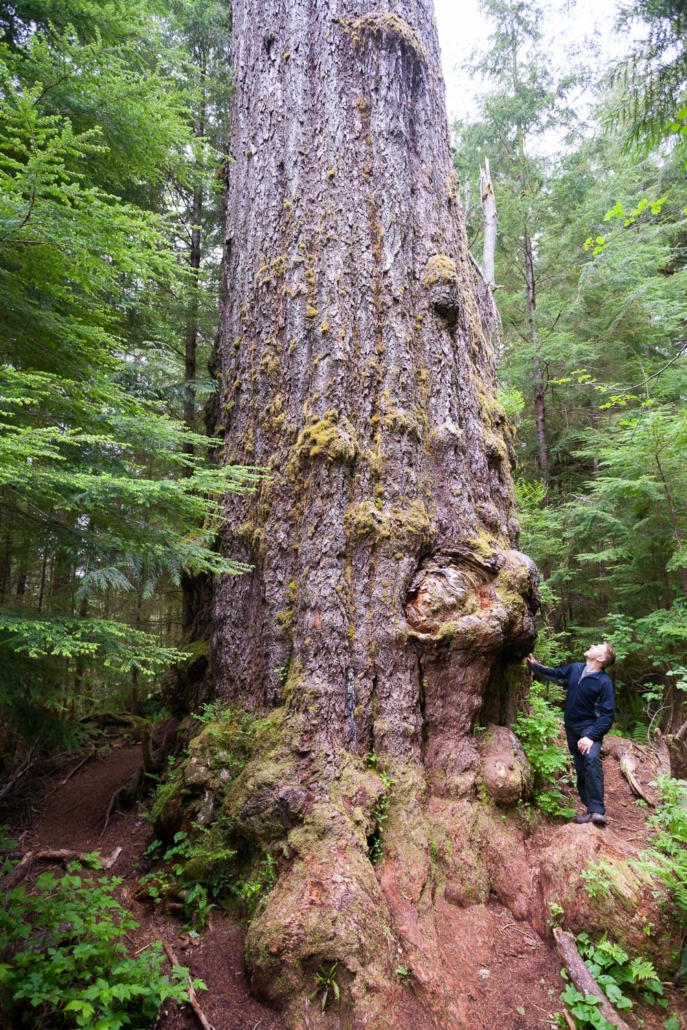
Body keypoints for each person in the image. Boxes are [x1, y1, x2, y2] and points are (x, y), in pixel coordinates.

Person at [526, 643, 617, 827]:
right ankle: (589, 809)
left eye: (598, 646)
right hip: (571, 728)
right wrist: (533, 665)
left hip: (589, 728)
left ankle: (598, 811)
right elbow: (556, 675)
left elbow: (608, 716)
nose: (592, 645)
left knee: (591, 759)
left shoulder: (603, 682)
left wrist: (591, 736)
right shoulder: (576, 668)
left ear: (600, 659)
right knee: (581, 767)